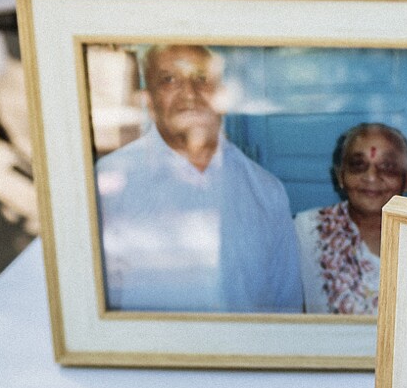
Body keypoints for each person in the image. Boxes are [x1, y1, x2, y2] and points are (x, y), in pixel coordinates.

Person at [95, 43, 302, 313]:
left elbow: (287, 308)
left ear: (222, 96)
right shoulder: (107, 183)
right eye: (169, 80)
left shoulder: (267, 190)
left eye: (202, 78)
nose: (190, 93)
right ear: (148, 101)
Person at [295, 122, 407, 314]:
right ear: (340, 175)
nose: (371, 177)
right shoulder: (307, 230)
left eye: (387, 166)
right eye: (358, 165)